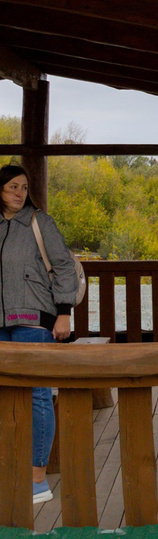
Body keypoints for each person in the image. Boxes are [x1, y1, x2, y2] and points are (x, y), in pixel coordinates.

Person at [0, 164, 80, 506]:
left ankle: (37, 478)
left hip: (35, 318)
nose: (19, 193)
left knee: (37, 394)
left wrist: (64, 313)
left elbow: (63, 265)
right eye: (12, 187)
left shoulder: (38, 221)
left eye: (23, 187)